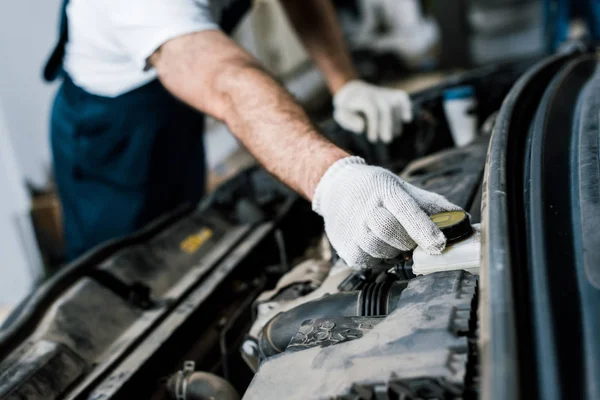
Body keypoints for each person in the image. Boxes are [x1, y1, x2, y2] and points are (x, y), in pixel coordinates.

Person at [45, 0, 461, 267]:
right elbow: (226, 82)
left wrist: (344, 82)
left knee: (186, 228)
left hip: (176, 102)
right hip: (113, 131)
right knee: (133, 263)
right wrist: (332, 178)